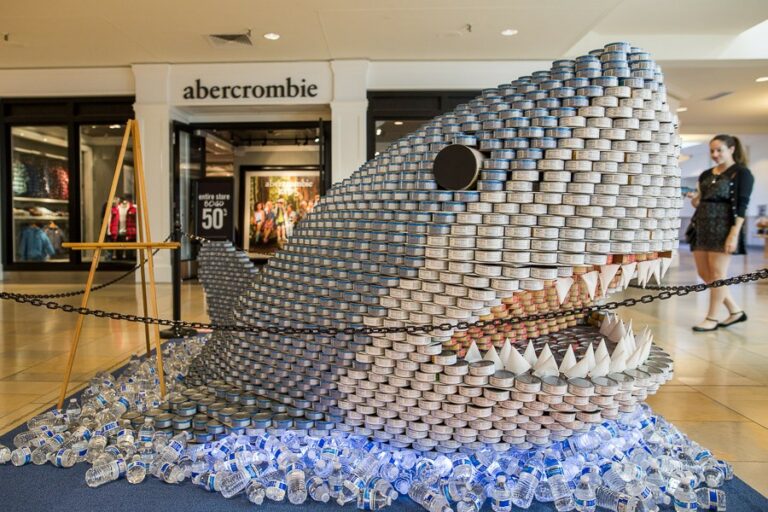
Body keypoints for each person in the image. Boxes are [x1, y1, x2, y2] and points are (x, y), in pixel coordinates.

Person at [688, 134, 754, 332]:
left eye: (719, 150)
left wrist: (734, 234)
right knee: (704, 273)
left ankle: (712, 318)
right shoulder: (706, 174)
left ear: (731, 149)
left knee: (718, 274)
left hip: (724, 227)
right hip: (702, 226)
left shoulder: (742, 173)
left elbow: (742, 206)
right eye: (712, 151)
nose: (715, 154)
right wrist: (694, 198)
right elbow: (699, 201)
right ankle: (735, 311)